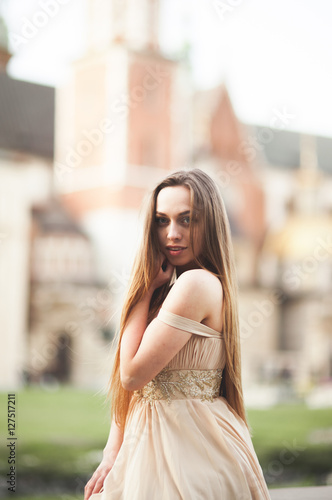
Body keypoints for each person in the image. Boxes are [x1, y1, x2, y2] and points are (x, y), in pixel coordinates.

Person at [84, 168, 271, 500]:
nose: (172, 233)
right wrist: (112, 450)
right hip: (150, 444)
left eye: (187, 220)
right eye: (162, 220)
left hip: (188, 452)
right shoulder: (172, 289)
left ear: (209, 223)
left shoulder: (195, 284)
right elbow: (137, 390)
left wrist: (142, 290)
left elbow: (131, 375)